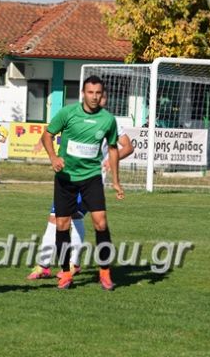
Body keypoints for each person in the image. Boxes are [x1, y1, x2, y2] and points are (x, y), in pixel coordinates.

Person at [28, 92, 133, 281]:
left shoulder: (109, 121)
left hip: (89, 179)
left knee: (57, 219)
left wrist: (109, 160)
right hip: (69, 178)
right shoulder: (75, 116)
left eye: (100, 96)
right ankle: (70, 264)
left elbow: (127, 146)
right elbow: (52, 133)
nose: (97, 100)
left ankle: (47, 265)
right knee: (72, 218)